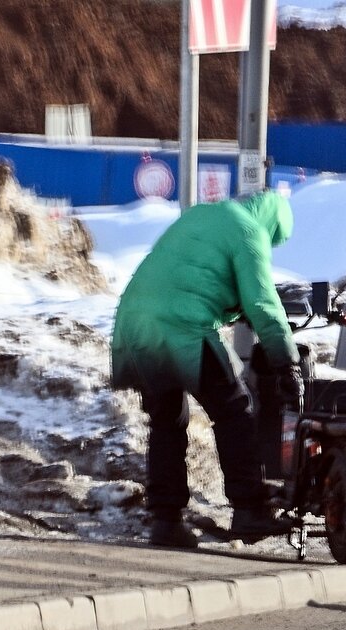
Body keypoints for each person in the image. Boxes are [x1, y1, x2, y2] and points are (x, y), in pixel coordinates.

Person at [111, 190, 304, 548]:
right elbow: (263, 303)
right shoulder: (250, 232)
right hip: (182, 325)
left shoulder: (202, 215)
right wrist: (287, 363)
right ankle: (249, 510)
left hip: (135, 321)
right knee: (234, 411)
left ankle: (166, 522)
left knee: (167, 422)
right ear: (272, 224)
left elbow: (190, 275)